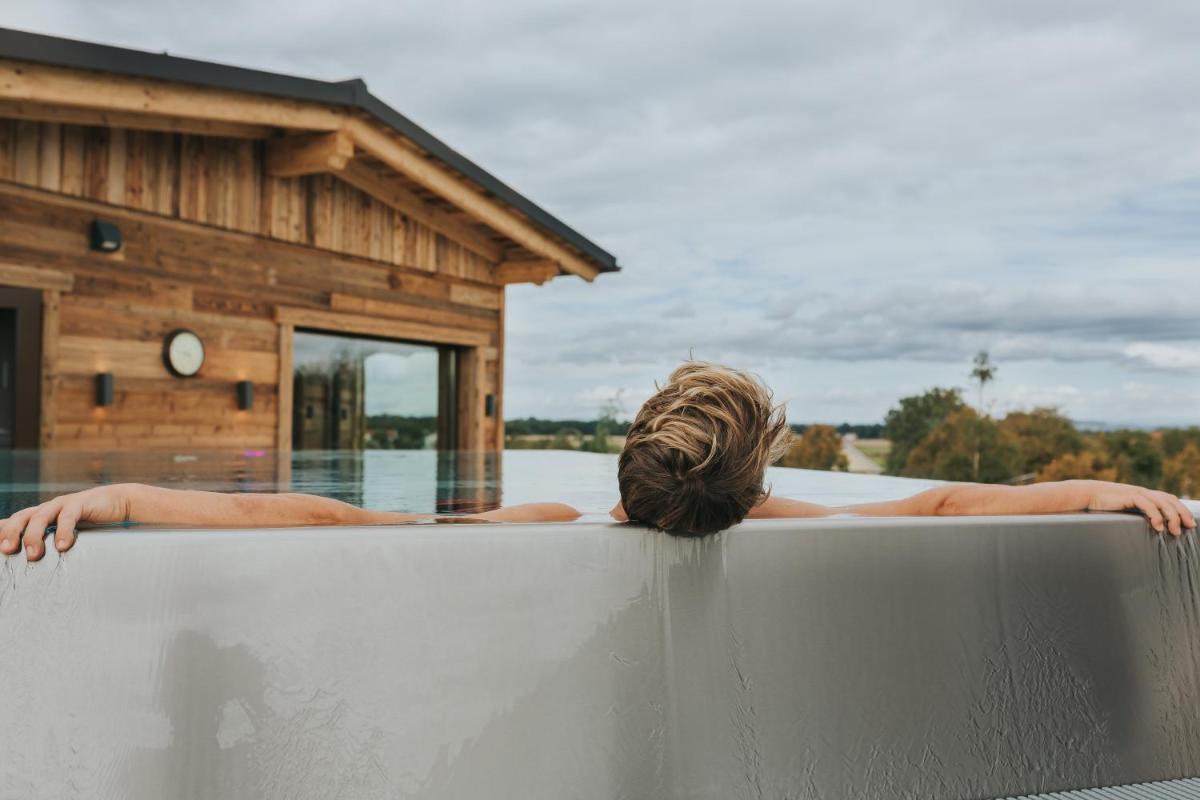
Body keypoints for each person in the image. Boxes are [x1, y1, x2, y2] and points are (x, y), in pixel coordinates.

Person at [1, 362, 1193, 562]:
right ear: (757, 481)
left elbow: (325, 525)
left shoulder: (550, 523)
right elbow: (938, 503)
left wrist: (119, 497)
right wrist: (1100, 491)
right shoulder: (808, 541)